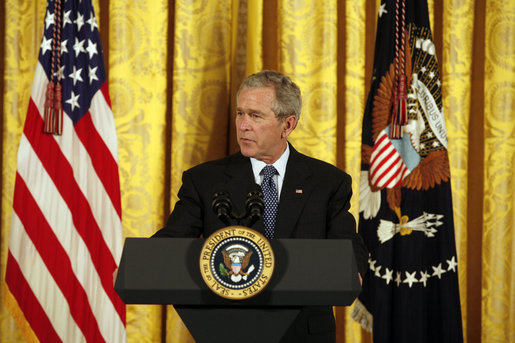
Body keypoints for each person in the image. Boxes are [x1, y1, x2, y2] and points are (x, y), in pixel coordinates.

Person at [153, 70, 368, 342]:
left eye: (255, 116)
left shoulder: (328, 182)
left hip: (303, 332)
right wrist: (138, 263)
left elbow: (346, 240)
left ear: (287, 125)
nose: (243, 125)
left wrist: (353, 269)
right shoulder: (204, 180)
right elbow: (174, 239)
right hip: (230, 329)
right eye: (240, 113)